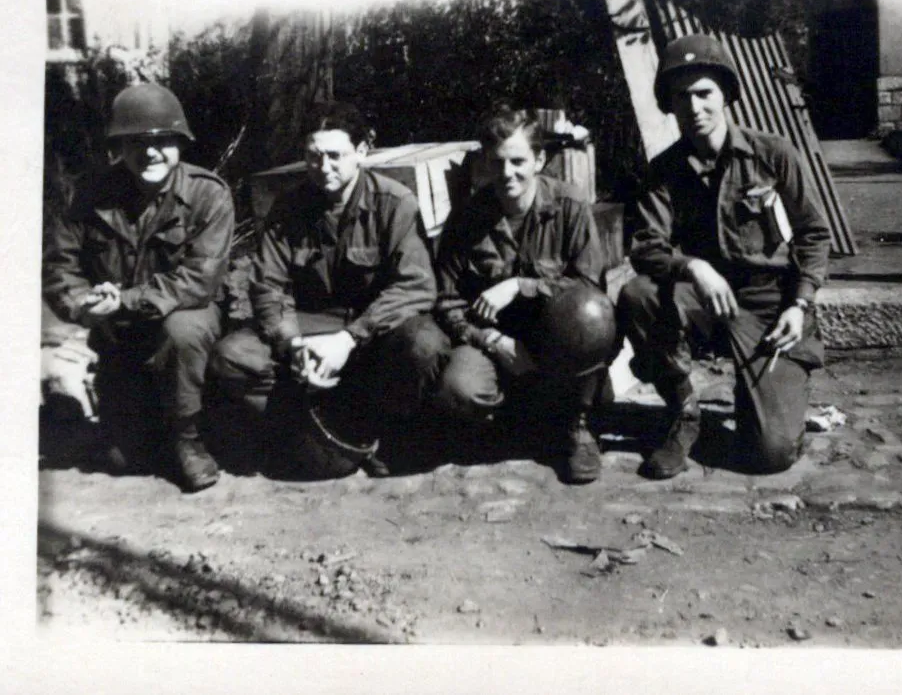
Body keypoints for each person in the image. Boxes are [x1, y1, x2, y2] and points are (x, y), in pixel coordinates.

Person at [617, 33, 832, 479]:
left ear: (726, 95)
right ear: (670, 105)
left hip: (769, 308)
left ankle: (763, 396)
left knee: (771, 454)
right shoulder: (665, 171)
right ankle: (685, 412)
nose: (694, 107)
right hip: (705, 303)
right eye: (681, 96)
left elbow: (814, 233)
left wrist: (800, 304)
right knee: (639, 295)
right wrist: (693, 266)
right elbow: (645, 246)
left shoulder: (774, 155)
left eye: (704, 93)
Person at [208, 101, 449, 478]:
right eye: (313, 156)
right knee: (232, 355)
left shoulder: (394, 203)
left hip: (375, 332)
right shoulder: (288, 207)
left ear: (362, 152)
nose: (323, 168)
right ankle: (313, 422)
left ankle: (388, 430)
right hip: (311, 331)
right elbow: (268, 286)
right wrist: (292, 345)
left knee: (424, 345)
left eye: (335, 156)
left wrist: (350, 339)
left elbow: (416, 286)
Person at [43, 83, 234, 492]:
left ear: (180, 143)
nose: (148, 152)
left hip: (183, 321)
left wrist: (123, 301)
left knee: (184, 329)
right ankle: (146, 421)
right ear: (119, 147)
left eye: (161, 140)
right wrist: (83, 305)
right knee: (121, 461)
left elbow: (199, 281)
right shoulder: (90, 194)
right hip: (118, 333)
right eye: (134, 142)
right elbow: (60, 265)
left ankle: (188, 437)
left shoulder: (208, 194)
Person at [433, 107, 618, 484]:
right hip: (496, 343)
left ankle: (578, 423)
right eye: (497, 163)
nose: (507, 173)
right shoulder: (467, 218)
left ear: (539, 160)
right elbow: (446, 301)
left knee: (592, 315)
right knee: (460, 388)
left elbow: (589, 284)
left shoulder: (568, 205)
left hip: (556, 336)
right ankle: (523, 415)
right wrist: (492, 340)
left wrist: (521, 285)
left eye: (518, 161)